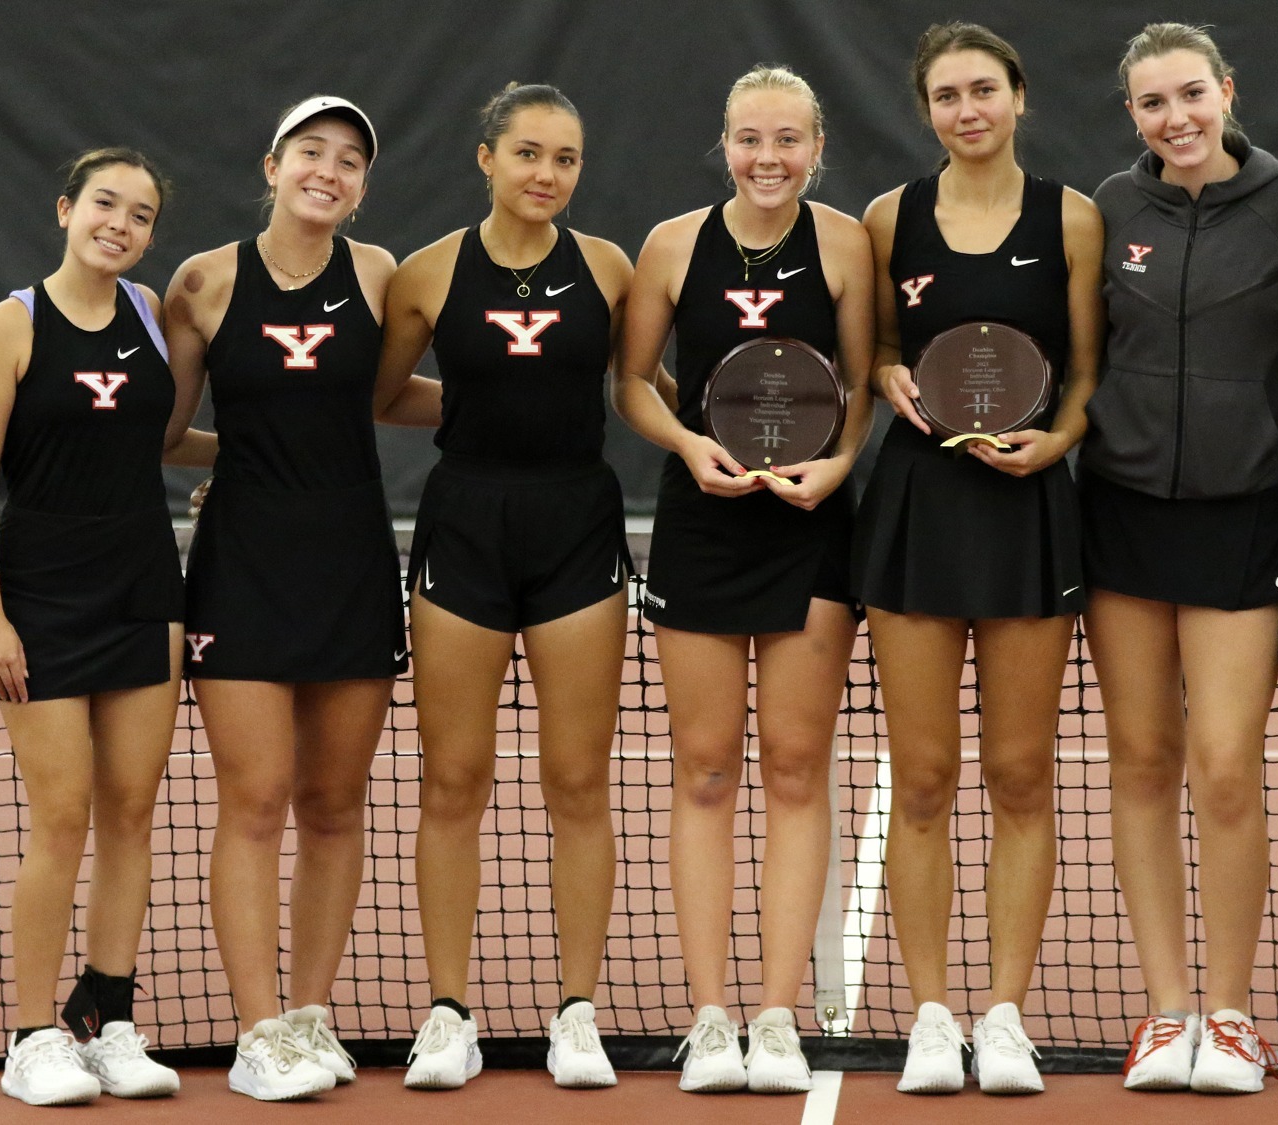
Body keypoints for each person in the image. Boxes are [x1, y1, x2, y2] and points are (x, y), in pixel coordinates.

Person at [163, 96, 440, 1101]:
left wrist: (516, 395)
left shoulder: (380, 276)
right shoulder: (202, 282)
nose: (329, 171)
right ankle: (256, 1032)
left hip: (351, 562)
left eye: (350, 160)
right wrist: (240, 460)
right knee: (255, 798)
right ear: (272, 166)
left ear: (362, 187)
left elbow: (387, 398)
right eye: (311, 152)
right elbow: (165, 433)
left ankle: (311, 1015)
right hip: (241, 565)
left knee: (333, 803)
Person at [1077, 23, 1278, 1096]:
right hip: (1122, 517)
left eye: (1190, 94)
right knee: (1141, 762)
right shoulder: (1108, 209)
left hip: (1245, 517)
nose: (1174, 118)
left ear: (1225, 91)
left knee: (1225, 766)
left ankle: (1228, 1015)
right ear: (1131, 116)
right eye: (1151, 103)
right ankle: (1165, 1009)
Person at [854, 21, 1103, 1096]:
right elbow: (877, 346)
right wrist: (883, 375)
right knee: (921, 778)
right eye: (947, 95)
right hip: (917, 505)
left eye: (984, 90)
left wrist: (1058, 439)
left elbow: (1086, 369)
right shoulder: (888, 218)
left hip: (1028, 506)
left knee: (1018, 773)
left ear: (1018, 96)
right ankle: (928, 1013)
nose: (968, 110)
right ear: (926, 111)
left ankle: (1003, 1013)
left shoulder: (1072, 218)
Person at [616, 64, 874, 1095]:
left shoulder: (845, 244)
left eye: (787, 139)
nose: (768, 158)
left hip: (809, 528)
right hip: (702, 522)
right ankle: (712, 1016)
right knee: (705, 769)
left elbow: (859, 386)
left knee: (797, 768)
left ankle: (774, 1015)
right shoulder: (672, 245)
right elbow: (632, 380)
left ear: (817, 148)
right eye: (749, 138)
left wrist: (839, 464)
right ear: (723, 143)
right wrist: (688, 445)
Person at [377, 83, 634, 1092]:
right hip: (465, 527)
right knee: (453, 779)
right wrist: (478, 400)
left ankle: (577, 1013)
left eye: (565, 158)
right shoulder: (427, 272)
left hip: (577, 528)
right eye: (527, 153)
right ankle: (448, 1013)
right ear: (485, 157)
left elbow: (634, 386)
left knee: (577, 780)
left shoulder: (608, 269)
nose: (546, 174)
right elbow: (380, 393)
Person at [0, 148, 209, 1105]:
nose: (121, 224)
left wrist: (258, 458)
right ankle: (32, 1037)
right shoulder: (11, 324)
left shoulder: (150, 313)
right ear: (66, 208)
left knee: (132, 815)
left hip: (144, 588)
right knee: (62, 816)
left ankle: (108, 1020)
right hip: (42, 597)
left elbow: (161, 440)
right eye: (106, 203)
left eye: (141, 215)